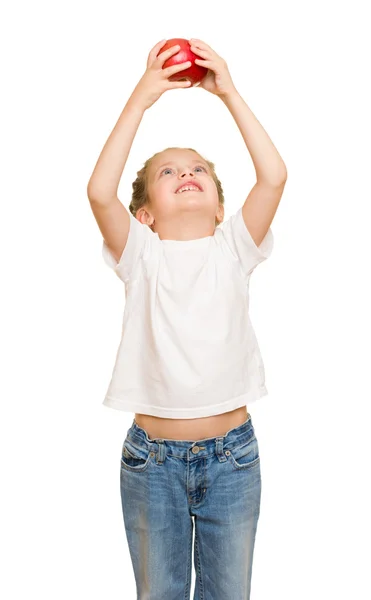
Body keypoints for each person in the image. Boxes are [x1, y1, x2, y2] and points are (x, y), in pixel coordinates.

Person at [87, 38, 287, 600]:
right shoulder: (140, 255)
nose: (186, 174)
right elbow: (99, 191)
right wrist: (140, 99)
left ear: (221, 208)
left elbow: (274, 177)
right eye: (169, 172)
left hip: (233, 458)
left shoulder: (234, 247)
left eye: (198, 169)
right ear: (145, 214)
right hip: (152, 464)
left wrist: (229, 93)